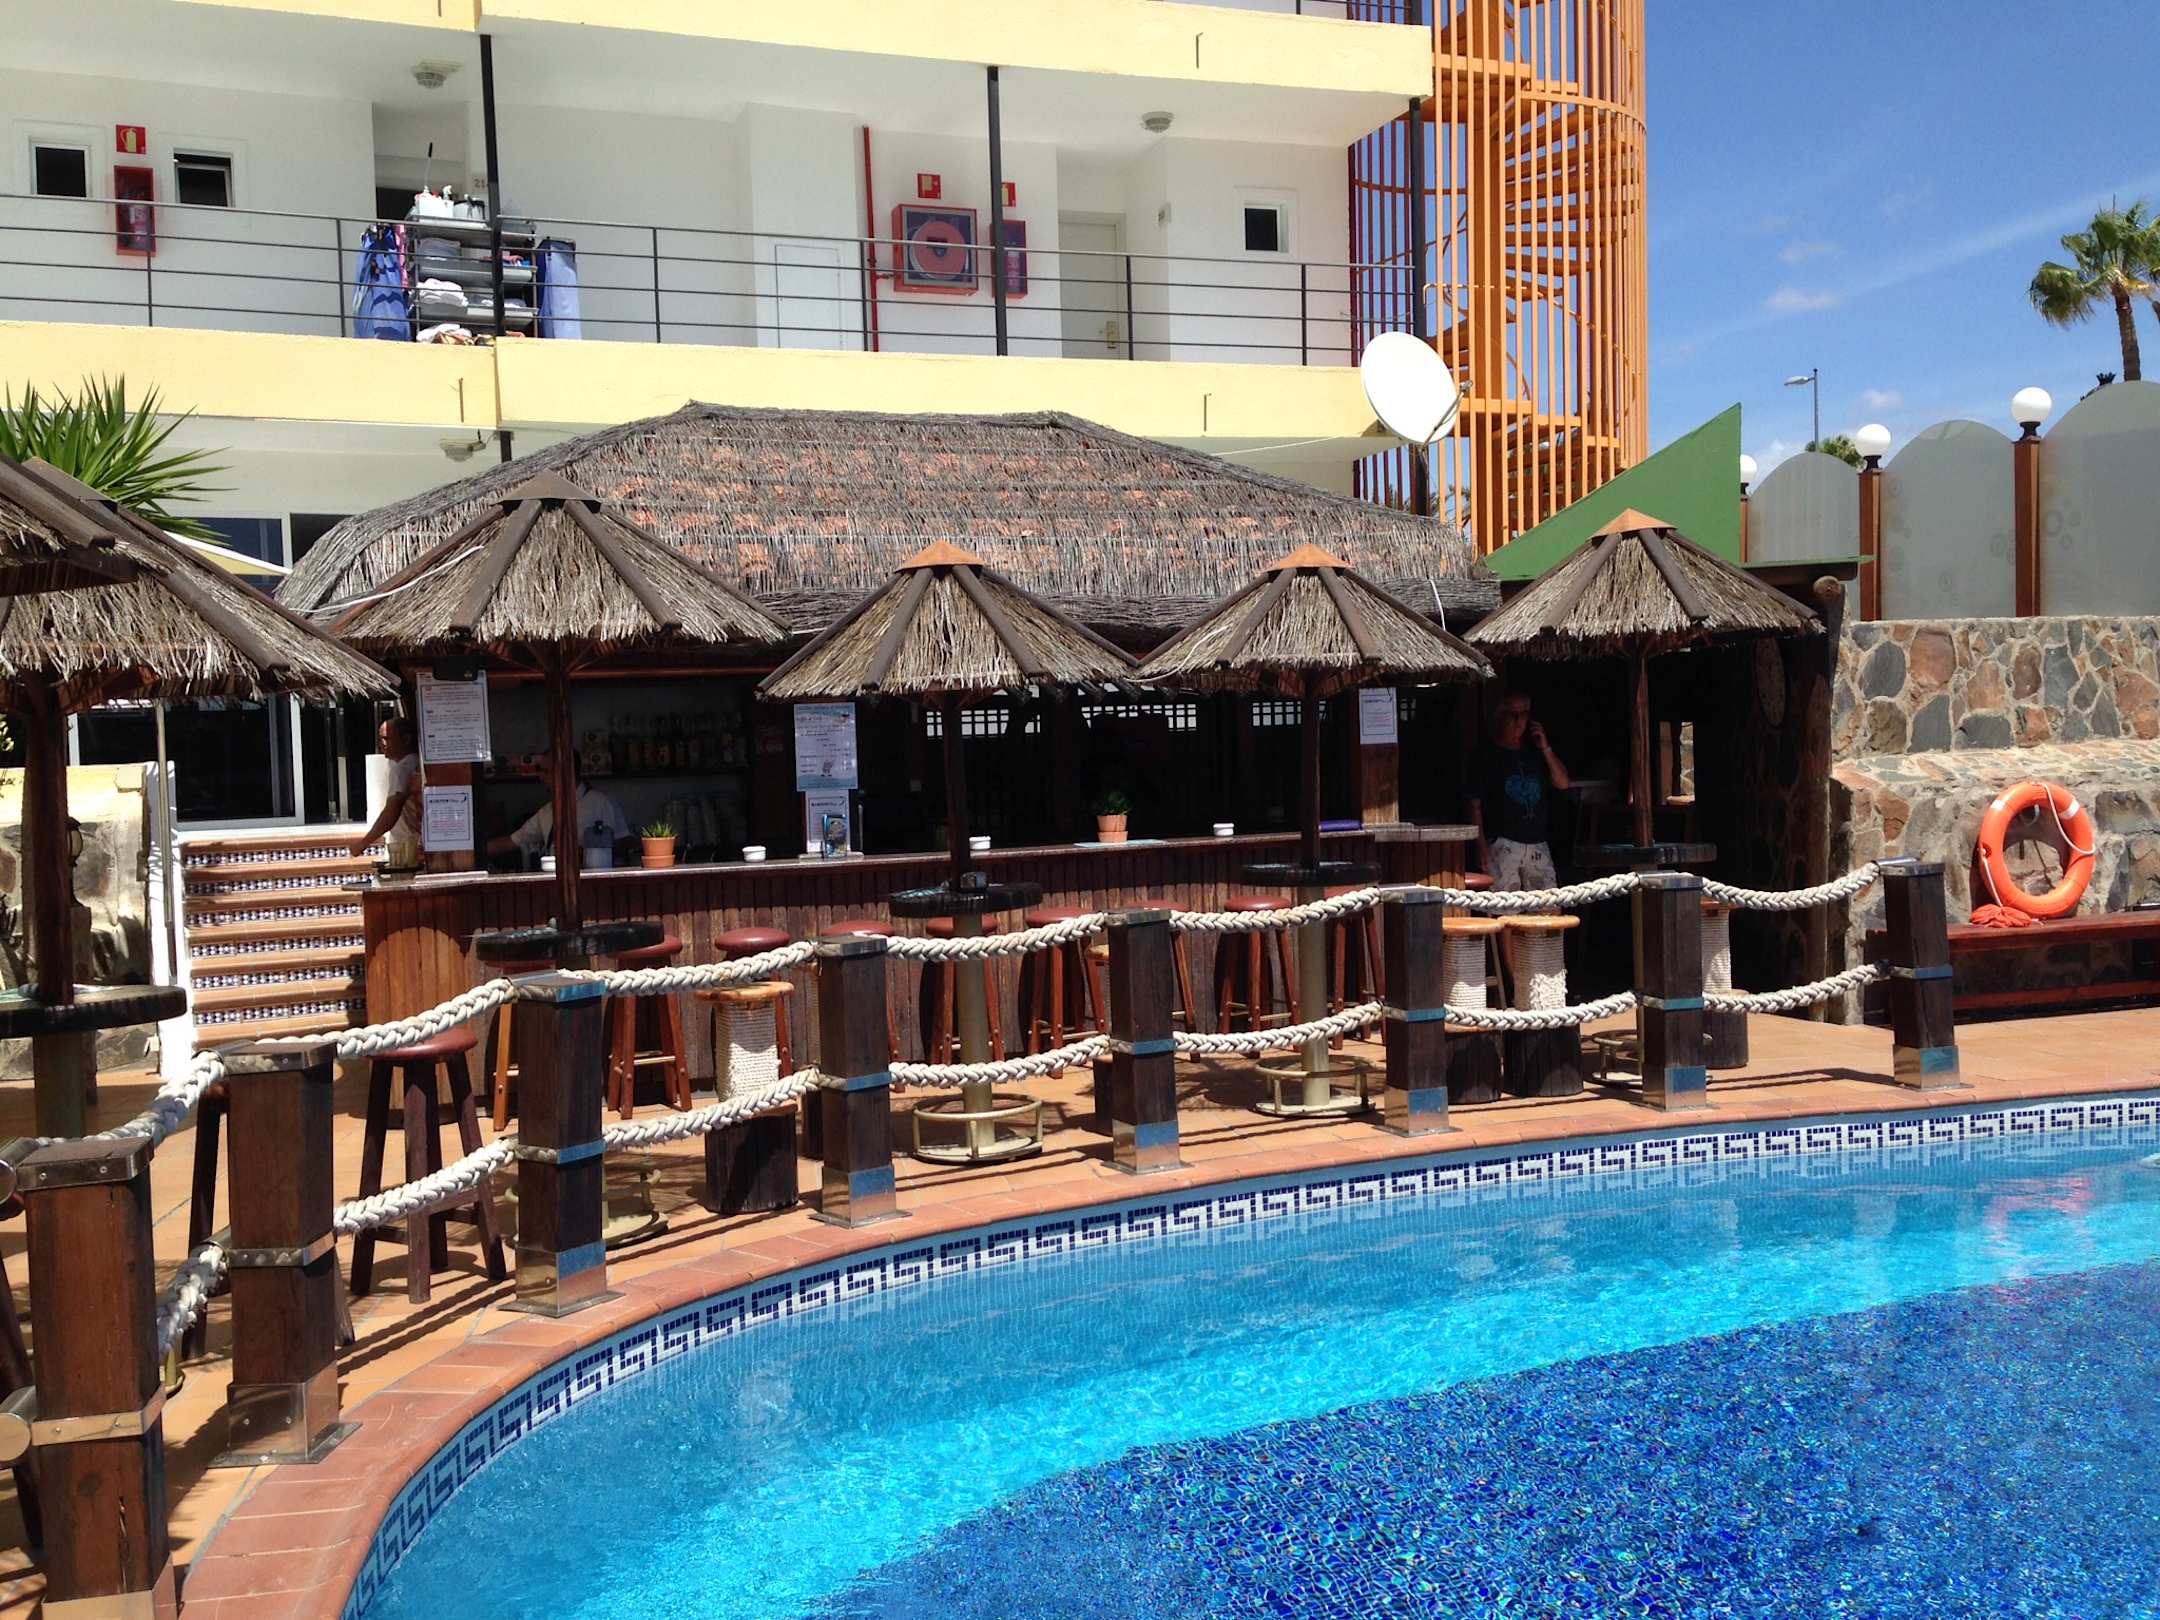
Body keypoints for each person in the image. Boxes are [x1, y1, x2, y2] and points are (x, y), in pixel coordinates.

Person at [1469, 692, 1572, 891]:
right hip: (1503, 843)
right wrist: (1481, 846)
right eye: (1512, 715)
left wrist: (1545, 748)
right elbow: (1474, 804)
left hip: (1537, 843)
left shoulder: (1534, 753)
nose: (1518, 721)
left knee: (1547, 904)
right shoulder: (1486, 756)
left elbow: (1563, 783)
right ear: (1501, 716)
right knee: (1505, 905)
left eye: (1523, 715)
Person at [485, 758, 632, 866]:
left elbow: (626, 842)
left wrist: (590, 851)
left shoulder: (601, 803)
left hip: (593, 884)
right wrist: (474, 852)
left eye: (545, 771)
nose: (540, 777)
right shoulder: (547, 811)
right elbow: (511, 842)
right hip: (554, 882)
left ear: (565, 771)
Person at [350, 715, 422, 867]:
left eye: (387, 739)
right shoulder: (414, 763)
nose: (382, 744)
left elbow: (392, 811)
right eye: (380, 739)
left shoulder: (402, 769)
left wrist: (363, 843)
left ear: (406, 739)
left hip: (406, 849)